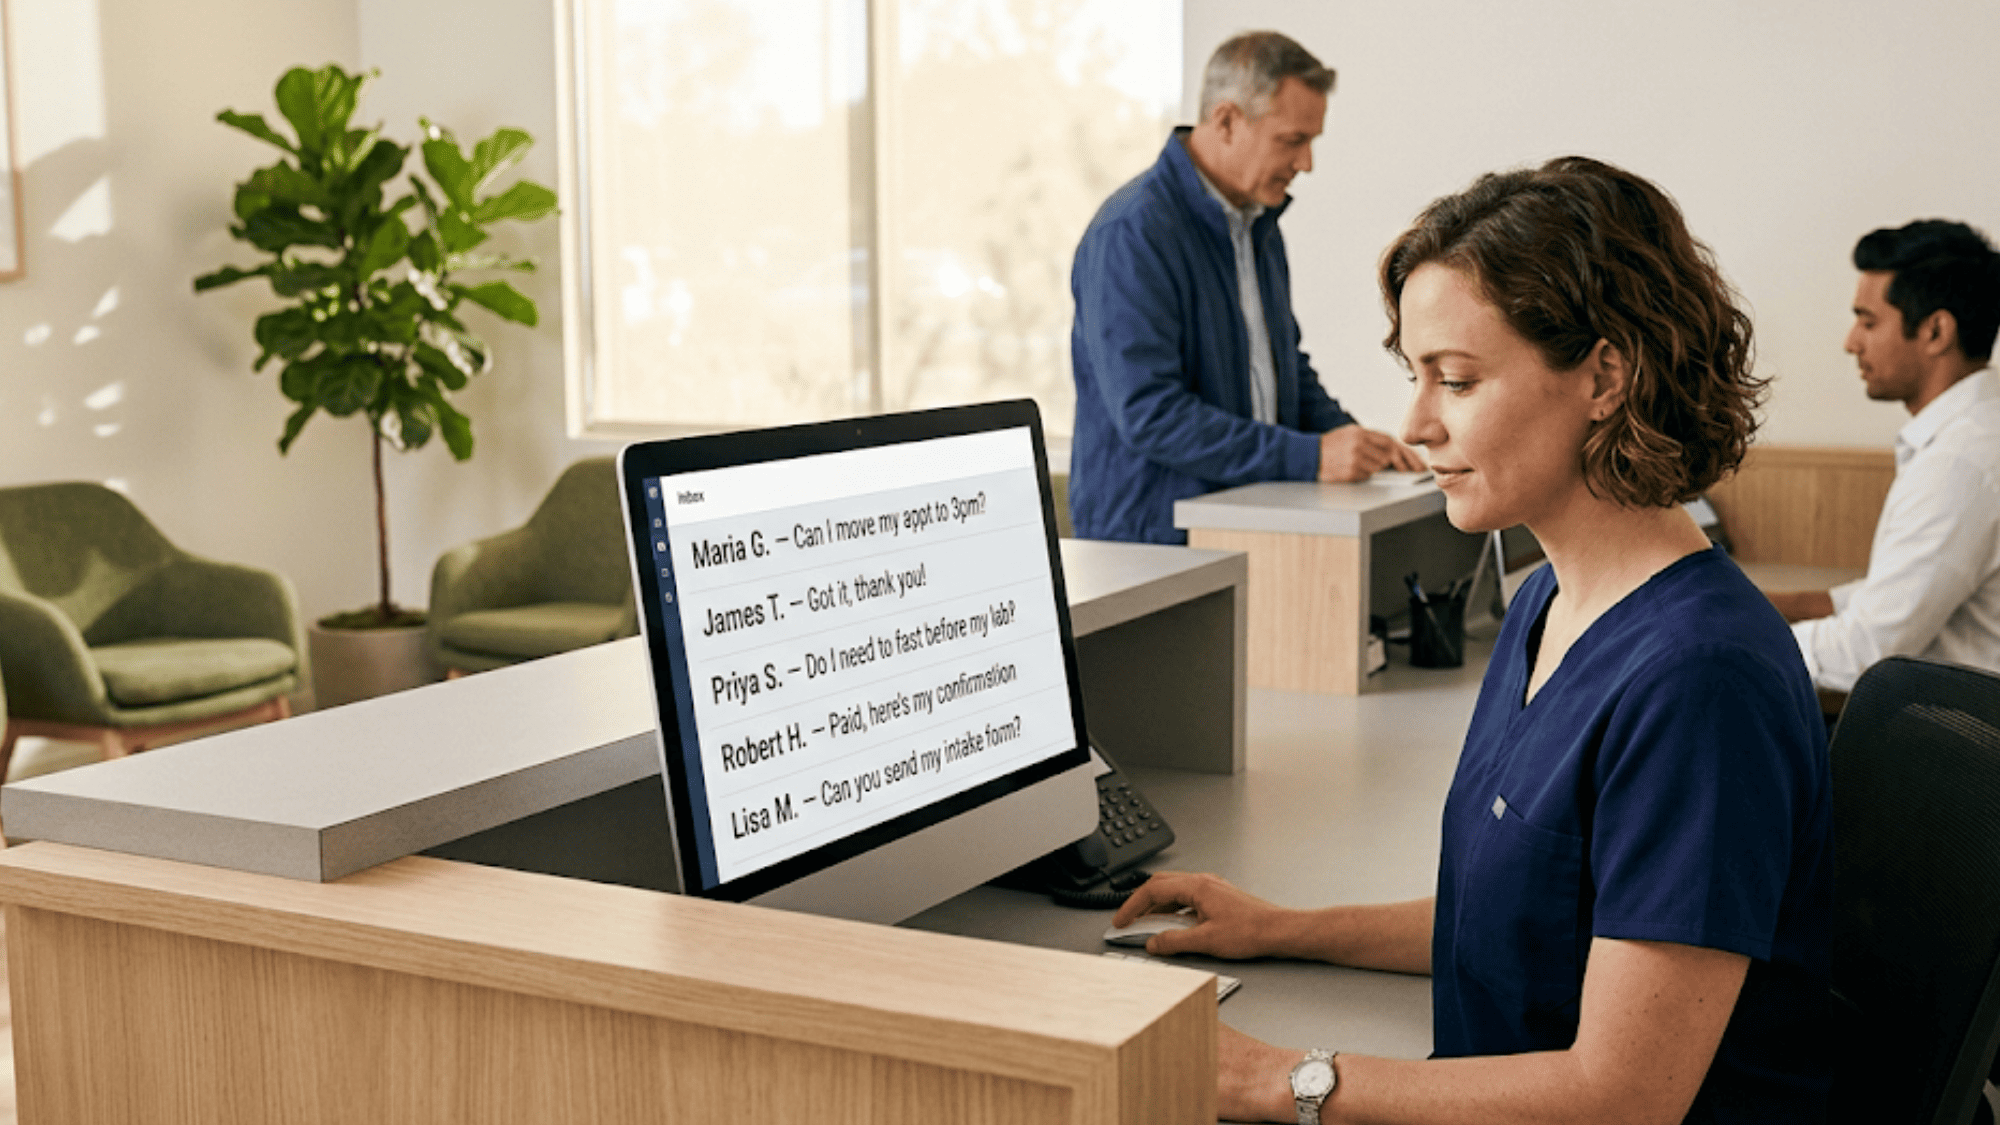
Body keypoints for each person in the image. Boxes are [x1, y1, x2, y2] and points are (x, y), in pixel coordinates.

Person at [1112, 157, 1834, 1124]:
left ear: (1604, 376)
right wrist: (1282, 926)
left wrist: (1262, 1076)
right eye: (1414, 377)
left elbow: (1623, 1095)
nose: (1415, 424)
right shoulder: (1545, 603)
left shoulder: (1700, 680)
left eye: (1456, 379)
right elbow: (1527, 920)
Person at [1067, 31, 1420, 544]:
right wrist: (1312, 457)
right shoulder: (1131, 234)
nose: (1307, 163)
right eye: (1292, 140)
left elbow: (1282, 372)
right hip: (1152, 545)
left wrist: (1353, 442)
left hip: (1239, 528)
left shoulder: (1258, 225)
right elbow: (1151, 415)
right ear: (1227, 120)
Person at [1767, 220, 2000, 694]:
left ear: (1936, 331)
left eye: (1868, 322)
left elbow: (1865, 653)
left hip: (1955, 748)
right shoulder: (1973, 436)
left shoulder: (1960, 466)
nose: (1851, 342)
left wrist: (1726, 639)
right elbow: (1899, 596)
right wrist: (1783, 605)